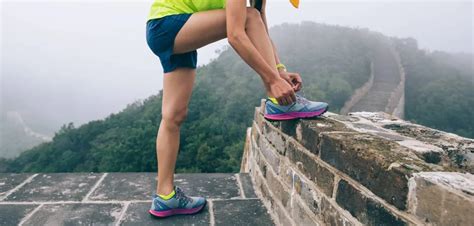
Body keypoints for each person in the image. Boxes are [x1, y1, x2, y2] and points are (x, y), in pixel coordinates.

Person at [146, 0, 328, 218]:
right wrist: (272, 82)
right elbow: (236, 34)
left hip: (178, 29)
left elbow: (260, 27)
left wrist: (279, 71)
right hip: (168, 24)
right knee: (249, 17)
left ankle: (165, 197)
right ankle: (280, 103)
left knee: (173, 116)